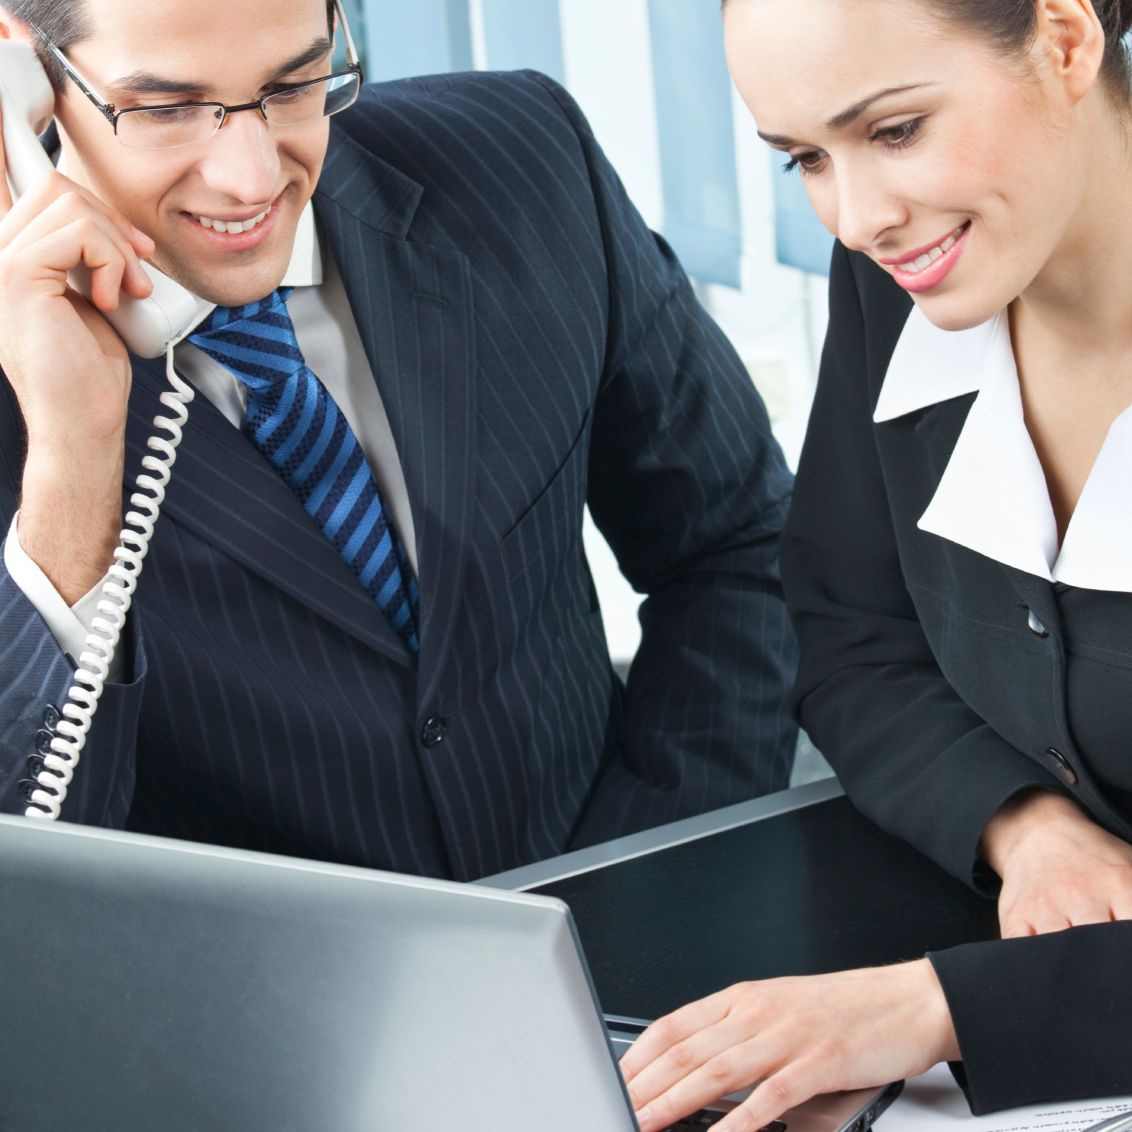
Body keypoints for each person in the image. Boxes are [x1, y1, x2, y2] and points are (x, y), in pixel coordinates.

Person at [0, 0, 798, 881]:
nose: (251, 178)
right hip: (263, 970)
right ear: (24, 69)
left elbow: (737, 544)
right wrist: (73, 457)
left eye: (293, 86)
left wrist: (652, 876)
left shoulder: (525, 158)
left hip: (632, 907)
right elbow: (30, 881)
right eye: (168, 108)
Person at [621, 0, 1132, 1128]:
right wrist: (1025, 825)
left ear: (1062, 39)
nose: (856, 221)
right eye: (805, 157)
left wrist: (938, 1008)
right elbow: (854, 639)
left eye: (895, 130)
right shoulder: (918, 277)